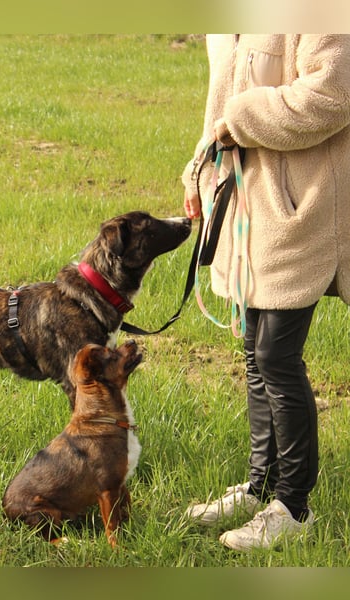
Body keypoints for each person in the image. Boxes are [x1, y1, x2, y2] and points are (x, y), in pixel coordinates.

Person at [180, 34, 350, 551]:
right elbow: (221, 101)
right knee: (255, 353)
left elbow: (333, 94)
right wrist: (198, 170)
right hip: (243, 205)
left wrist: (241, 119)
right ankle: (260, 487)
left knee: (276, 354)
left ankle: (294, 507)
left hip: (301, 208)